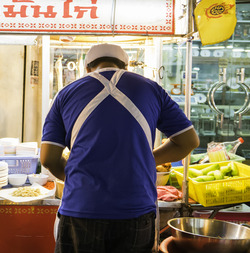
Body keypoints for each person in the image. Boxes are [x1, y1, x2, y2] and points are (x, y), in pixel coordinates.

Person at [40, 44, 199, 253]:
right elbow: (189, 142)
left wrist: (76, 175)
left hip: (81, 208)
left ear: (88, 67)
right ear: (126, 67)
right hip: (136, 210)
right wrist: (146, 160)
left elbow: (48, 158)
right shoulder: (151, 88)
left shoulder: (66, 93)